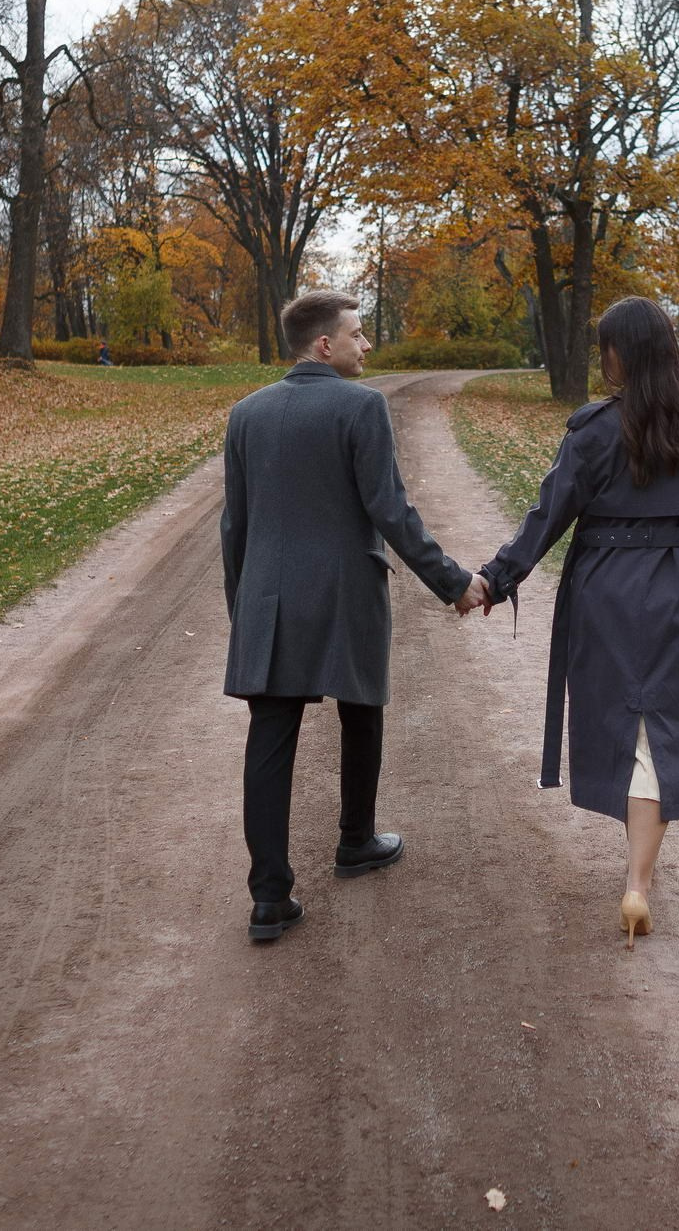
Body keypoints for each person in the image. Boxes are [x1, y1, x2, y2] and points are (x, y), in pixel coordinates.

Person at [477, 297, 679, 946]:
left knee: (625, 722)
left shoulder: (592, 429)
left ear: (620, 353)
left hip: (604, 588)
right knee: (660, 727)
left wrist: (496, 578)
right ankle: (637, 880)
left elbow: (547, 517)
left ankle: (635, 877)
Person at [220, 289, 489, 942]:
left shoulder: (246, 414)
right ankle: (356, 840)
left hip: (269, 602)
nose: (367, 345)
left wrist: (243, 610)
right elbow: (391, 511)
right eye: (358, 334)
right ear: (324, 345)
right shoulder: (362, 406)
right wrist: (454, 582)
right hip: (345, 595)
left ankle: (268, 897)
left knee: (270, 738)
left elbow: (236, 525)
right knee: (361, 709)